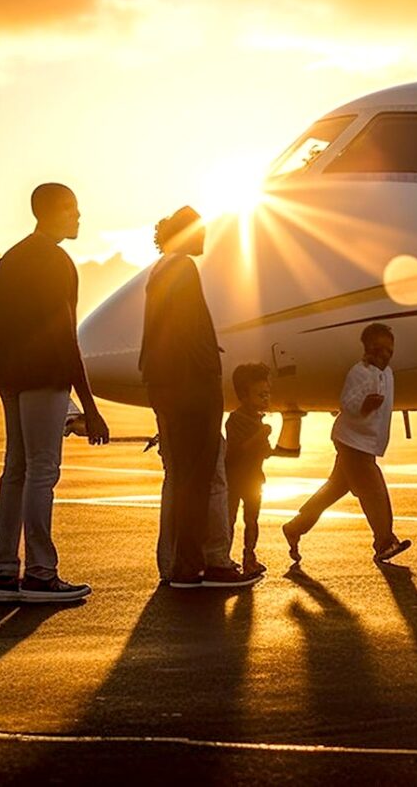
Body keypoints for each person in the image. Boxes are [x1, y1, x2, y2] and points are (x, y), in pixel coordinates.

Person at [0, 183, 109, 604]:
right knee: (43, 473)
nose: (79, 216)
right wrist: (89, 406)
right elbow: (66, 338)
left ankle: (3, 573)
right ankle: (41, 574)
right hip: (44, 377)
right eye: (73, 209)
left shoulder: (12, 258)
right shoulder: (57, 262)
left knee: (15, 471)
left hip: (11, 379)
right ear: (53, 212)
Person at [141, 206, 259, 589]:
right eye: (201, 229)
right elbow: (188, 334)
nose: (206, 235)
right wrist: (210, 373)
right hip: (191, 390)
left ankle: (177, 564)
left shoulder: (160, 269)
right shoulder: (182, 269)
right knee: (198, 477)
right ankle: (195, 567)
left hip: (167, 386)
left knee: (179, 477)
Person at [283, 323, 411, 566]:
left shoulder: (388, 374)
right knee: (374, 490)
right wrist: (364, 406)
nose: (384, 355)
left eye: (389, 351)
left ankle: (295, 527)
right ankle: (384, 542)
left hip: (366, 443)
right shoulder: (360, 373)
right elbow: (347, 403)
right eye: (379, 349)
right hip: (352, 442)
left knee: (334, 488)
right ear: (367, 350)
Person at [225, 363, 273, 576]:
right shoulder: (236, 419)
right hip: (235, 478)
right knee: (229, 518)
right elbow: (239, 449)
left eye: (267, 394)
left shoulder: (259, 420)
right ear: (244, 396)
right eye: (260, 394)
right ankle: (222, 557)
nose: (265, 399)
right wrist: (261, 435)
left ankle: (249, 556)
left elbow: (265, 452)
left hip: (254, 478)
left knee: (252, 520)